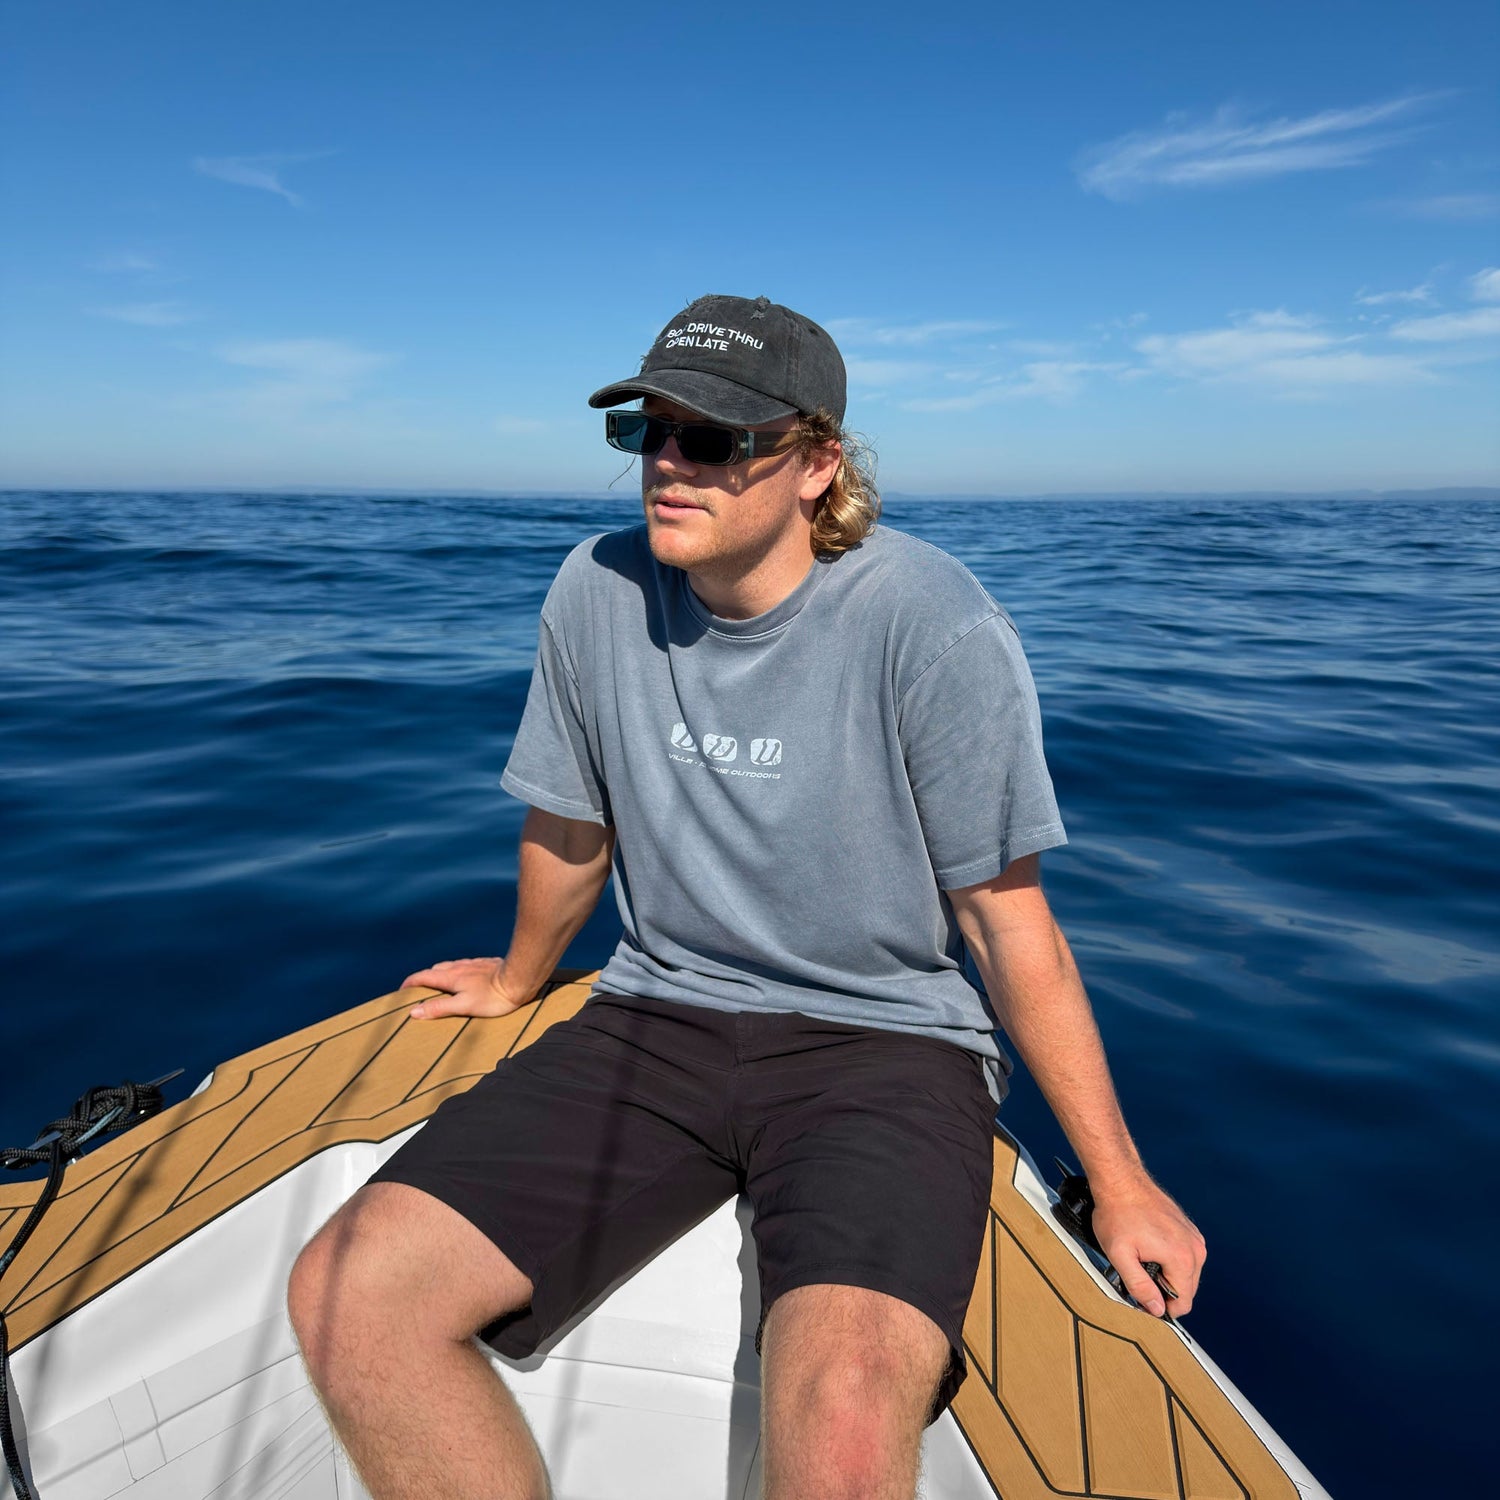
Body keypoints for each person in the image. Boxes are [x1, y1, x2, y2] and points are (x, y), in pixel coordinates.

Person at [287, 294, 1206, 1500]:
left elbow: (1005, 922)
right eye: (647, 431)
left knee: (843, 1413)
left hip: (883, 1048)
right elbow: (570, 827)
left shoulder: (932, 622)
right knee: (349, 1294)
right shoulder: (595, 588)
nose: (668, 464)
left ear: (818, 464)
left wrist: (1122, 1182)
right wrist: (517, 979)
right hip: (654, 1020)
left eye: (714, 438)